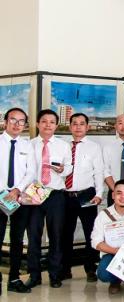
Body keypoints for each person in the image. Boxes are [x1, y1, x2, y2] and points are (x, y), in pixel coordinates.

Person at [27, 109, 73, 289]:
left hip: (55, 194)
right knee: (33, 235)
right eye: (44, 121)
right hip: (34, 192)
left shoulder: (63, 145)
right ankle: (34, 275)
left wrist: (62, 170)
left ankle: (55, 275)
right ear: (37, 124)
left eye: (52, 122)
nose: (48, 125)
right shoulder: (29, 145)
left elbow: (69, 167)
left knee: (56, 235)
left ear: (56, 125)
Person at [61, 113, 105, 283]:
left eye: (81, 124)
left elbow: (99, 171)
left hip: (87, 195)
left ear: (87, 127)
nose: (78, 127)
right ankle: (65, 269)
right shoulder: (63, 146)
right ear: (70, 126)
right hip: (66, 195)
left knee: (90, 233)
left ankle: (90, 268)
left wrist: (99, 194)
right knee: (65, 233)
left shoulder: (94, 147)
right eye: (74, 123)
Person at [0, 107, 36, 294]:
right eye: (13, 120)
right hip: (0, 196)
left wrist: (16, 190)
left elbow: (31, 172)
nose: (16, 124)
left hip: (19, 198)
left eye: (21, 121)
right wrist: (3, 192)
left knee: (17, 239)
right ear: (5, 121)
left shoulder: (27, 145)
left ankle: (14, 278)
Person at [102, 114, 124, 206]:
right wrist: (116, 190)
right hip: (114, 191)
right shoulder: (108, 147)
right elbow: (105, 171)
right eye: (120, 123)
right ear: (115, 126)